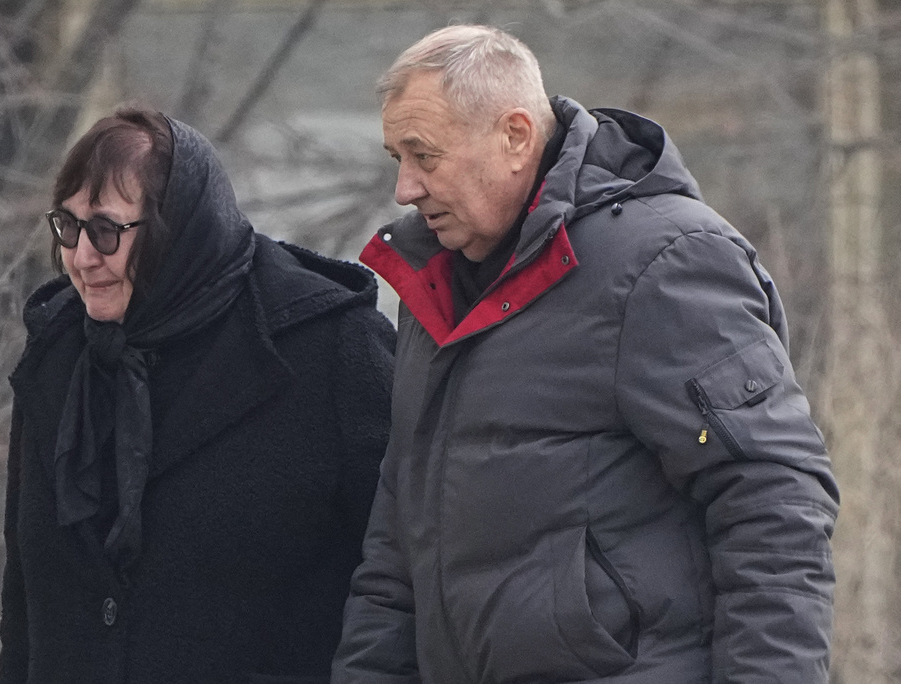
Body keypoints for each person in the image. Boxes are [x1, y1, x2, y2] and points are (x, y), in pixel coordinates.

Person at [332, 25, 838, 684]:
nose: (405, 188)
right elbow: (397, 546)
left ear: (515, 136)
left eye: (424, 155)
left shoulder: (664, 262)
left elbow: (774, 503)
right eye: (396, 157)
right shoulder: (434, 283)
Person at [0, 108, 395, 683]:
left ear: (177, 229)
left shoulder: (328, 347)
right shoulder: (58, 353)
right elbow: (24, 608)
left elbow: (404, 574)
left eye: (106, 231)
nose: (82, 257)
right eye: (68, 227)